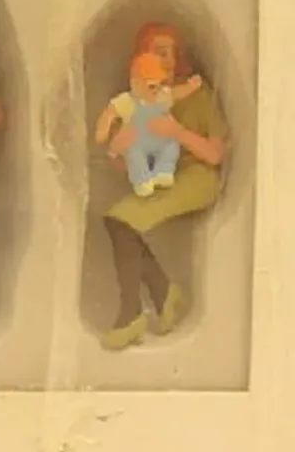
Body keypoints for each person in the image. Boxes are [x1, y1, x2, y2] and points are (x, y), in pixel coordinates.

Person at [100, 21, 229, 350]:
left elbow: (215, 154)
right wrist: (117, 148)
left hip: (197, 178)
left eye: (172, 53)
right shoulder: (140, 101)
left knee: (121, 221)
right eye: (159, 53)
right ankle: (162, 294)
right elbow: (127, 164)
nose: (168, 61)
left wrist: (177, 132)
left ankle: (131, 313)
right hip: (160, 179)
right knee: (117, 220)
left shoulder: (196, 94)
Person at [95, 52, 202, 197]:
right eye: (151, 86)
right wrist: (103, 130)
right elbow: (110, 113)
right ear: (136, 84)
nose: (157, 90)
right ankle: (142, 181)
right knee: (134, 155)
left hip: (160, 139)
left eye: (160, 84)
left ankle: (163, 171)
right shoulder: (127, 101)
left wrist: (190, 87)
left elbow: (176, 93)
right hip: (138, 141)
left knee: (171, 146)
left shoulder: (162, 96)